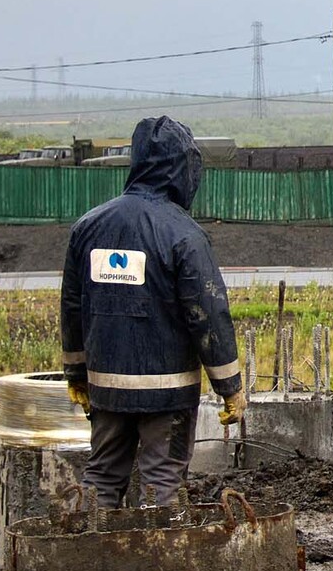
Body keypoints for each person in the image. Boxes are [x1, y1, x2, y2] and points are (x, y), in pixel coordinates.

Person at [60, 116, 243, 509]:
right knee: (163, 481)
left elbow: (73, 307)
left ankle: (87, 560)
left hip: (106, 387)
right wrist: (230, 387)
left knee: (102, 476)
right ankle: (157, 566)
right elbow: (208, 312)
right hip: (167, 391)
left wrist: (76, 374)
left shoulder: (88, 228)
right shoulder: (185, 235)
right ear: (184, 169)